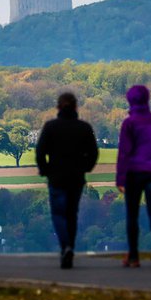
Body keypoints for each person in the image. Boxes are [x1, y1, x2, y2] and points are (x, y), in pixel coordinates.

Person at [36, 92, 99, 269]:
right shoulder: (84, 128)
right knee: (72, 214)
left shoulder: (50, 127)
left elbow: (40, 152)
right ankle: (70, 245)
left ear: (58, 107)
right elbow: (93, 153)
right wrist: (86, 168)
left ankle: (65, 246)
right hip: (76, 177)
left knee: (58, 214)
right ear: (75, 107)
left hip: (56, 177)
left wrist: (45, 170)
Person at [116, 85, 151, 268]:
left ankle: (133, 256)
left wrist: (120, 178)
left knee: (132, 215)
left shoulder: (129, 123)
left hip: (134, 172)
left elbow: (124, 152)